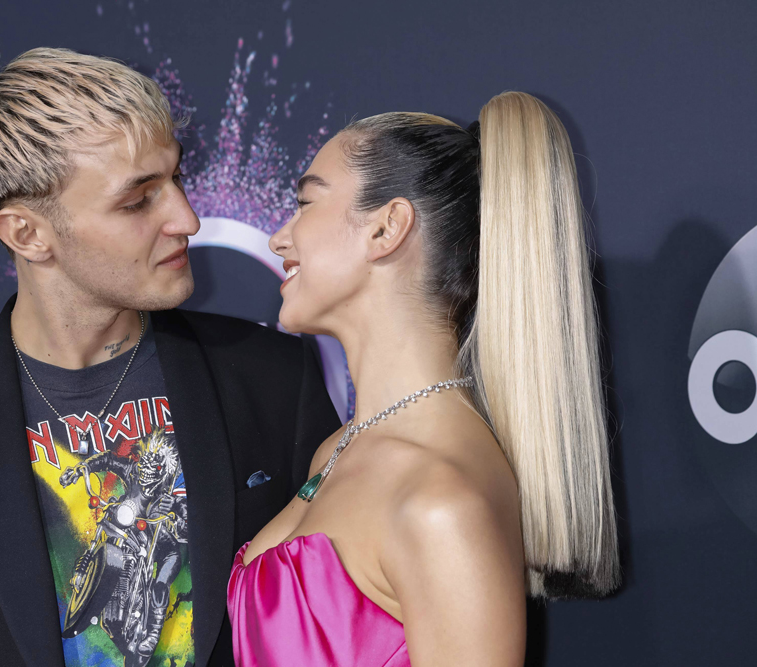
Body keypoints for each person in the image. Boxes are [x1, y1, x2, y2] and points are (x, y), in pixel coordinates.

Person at [0, 48, 340, 667]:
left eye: (176, 178)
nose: (187, 218)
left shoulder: (272, 378)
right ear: (27, 234)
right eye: (137, 200)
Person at [228, 93, 621, 666]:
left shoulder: (440, 500)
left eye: (306, 203)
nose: (279, 238)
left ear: (387, 228)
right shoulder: (337, 451)